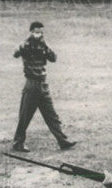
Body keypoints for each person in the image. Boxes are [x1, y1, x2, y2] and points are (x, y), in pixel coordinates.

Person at [11, 21, 76, 153]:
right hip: (32, 83)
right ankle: (18, 142)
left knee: (51, 115)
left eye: (41, 32)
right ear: (31, 32)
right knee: (25, 115)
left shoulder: (43, 45)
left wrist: (44, 46)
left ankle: (62, 140)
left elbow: (53, 58)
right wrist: (26, 44)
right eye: (36, 32)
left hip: (42, 83)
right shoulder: (26, 45)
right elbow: (15, 53)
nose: (38, 34)